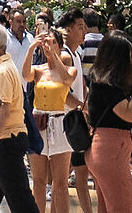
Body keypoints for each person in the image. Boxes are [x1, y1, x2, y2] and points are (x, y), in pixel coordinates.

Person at [0, 24, 38, 213]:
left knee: (20, 199)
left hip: (6, 141)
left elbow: (4, 111)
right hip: (1, 140)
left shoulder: (3, 71)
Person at [25, 23, 80, 213]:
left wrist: (54, 56)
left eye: (53, 42)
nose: (48, 46)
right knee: (39, 181)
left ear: (59, 45)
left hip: (59, 123)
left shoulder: (68, 67)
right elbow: (25, 74)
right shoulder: (38, 69)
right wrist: (32, 47)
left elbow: (66, 79)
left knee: (60, 183)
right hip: (38, 121)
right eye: (46, 43)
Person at [81, 39, 132, 213]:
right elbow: (129, 114)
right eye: (128, 55)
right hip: (109, 152)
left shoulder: (99, 81)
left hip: (104, 150)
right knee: (122, 208)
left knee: (106, 208)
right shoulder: (106, 85)